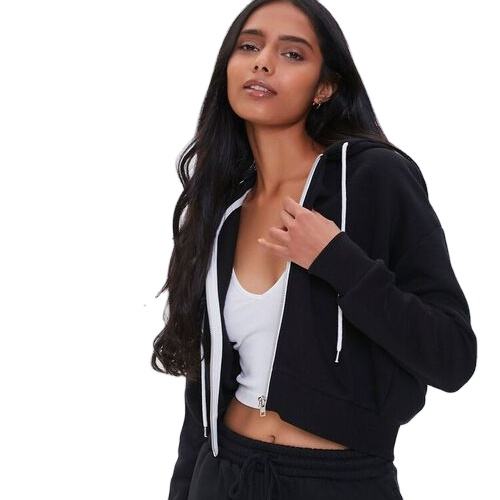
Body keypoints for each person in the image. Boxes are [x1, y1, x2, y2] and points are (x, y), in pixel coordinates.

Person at [152, 1, 478, 499]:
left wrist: (338, 260)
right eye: (249, 46)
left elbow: (452, 357)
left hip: (338, 483)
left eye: (292, 54)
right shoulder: (223, 210)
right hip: (222, 476)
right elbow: (202, 396)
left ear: (325, 87)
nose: (263, 62)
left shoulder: (374, 179)